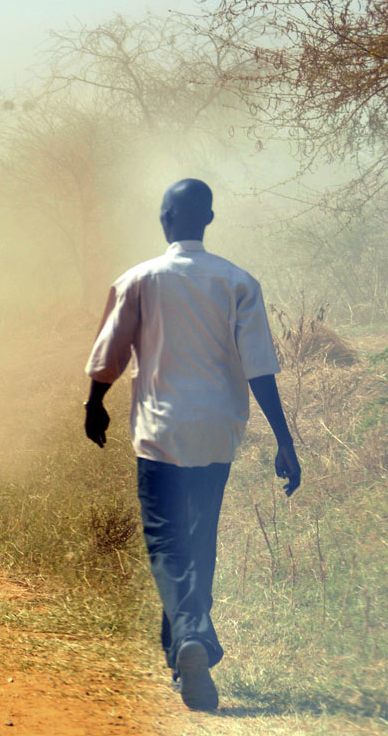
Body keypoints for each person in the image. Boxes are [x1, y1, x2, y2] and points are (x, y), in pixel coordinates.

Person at [82, 178, 301, 713]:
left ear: (166, 219)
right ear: (207, 219)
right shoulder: (238, 283)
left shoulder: (139, 279)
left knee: (166, 544)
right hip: (216, 433)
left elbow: (110, 352)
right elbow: (260, 369)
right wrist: (284, 440)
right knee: (199, 542)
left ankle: (190, 640)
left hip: (161, 434)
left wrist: (94, 402)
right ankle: (184, 655)